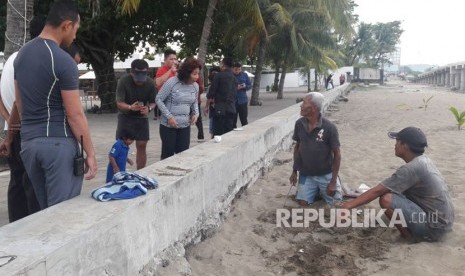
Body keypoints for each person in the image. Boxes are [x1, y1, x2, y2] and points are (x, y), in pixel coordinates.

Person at [4, 0, 97, 210]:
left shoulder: (21, 57)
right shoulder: (63, 61)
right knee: (62, 214)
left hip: (29, 146)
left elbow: (19, 103)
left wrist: (10, 137)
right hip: (57, 146)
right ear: (66, 25)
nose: (75, 35)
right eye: (76, 29)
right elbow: (75, 115)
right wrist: (90, 153)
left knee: (44, 213)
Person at [341, 127, 454, 242]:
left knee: (386, 199)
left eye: (397, 141)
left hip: (434, 229)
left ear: (405, 146)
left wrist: (348, 206)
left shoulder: (411, 169)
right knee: (391, 191)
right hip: (444, 223)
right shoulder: (424, 161)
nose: (395, 145)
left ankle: (408, 237)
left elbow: (377, 191)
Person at [0, 16, 45, 222]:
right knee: (32, 184)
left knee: (17, 182)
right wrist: (14, 124)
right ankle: (30, 228)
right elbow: (21, 100)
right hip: (26, 132)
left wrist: (9, 121)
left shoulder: (12, 58)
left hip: (14, 129)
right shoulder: (33, 59)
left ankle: (15, 226)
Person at [289, 92, 342, 206]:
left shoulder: (329, 127)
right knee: (303, 202)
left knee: (335, 202)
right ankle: (316, 191)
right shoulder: (299, 124)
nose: (301, 106)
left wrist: (332, 182)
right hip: (306, 174)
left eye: (304, 103)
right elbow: (297, 147)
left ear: (314, 108)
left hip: (326, 174)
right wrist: (294, 171)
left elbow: (337, 154)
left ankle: (332, 184)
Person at [156, 57, 200, 159]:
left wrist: (195, 114)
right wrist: (169, 117)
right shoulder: (172, 82)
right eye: (194, 74)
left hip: (185, 125)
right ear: (186, 73)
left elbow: (194, 103)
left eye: (198, 73)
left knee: (183, 155)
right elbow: (158, 99)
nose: (197, 77)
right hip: (168, 126)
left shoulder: (195, 86)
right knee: (168, 155)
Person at [115, 59, 156, 169]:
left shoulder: (151, 83)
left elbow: (153, 102)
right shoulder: (123, 81)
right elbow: (119, 103)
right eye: (138, 77)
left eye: (143, 75)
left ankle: (140, 173)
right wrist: (130, 107)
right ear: (132, 72)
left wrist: (149, 108)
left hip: (142, 117)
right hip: (126, 115)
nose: (140, 81)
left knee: (142, 144)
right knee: (122, 145)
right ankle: (119, 172)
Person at [206, 57, 236, 136]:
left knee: (218, 133)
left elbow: (211, 92)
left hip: (220, 108)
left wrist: (207, 105)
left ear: (223, 64)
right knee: (228, 132)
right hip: (231, 108)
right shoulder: (234, 77)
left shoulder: (219, 76)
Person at [154, 49, 178, 120]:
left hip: (175, 102)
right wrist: (170, 70)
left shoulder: (175, 70)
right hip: (165, 103)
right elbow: (158, 83)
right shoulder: (161, 70)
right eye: (171, 59)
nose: (174, 61)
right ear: (165, 59)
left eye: (175, 59)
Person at [232, 62, 251, 129]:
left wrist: (244, 87)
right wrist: (235, 88)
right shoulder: (230, 76)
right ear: (232, 69)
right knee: (233, 121)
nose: (237, 71)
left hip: (242, 100)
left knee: (244, 120)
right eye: (236, 69)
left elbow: (249, 85)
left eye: (239, 69)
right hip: (233, 101)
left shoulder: (244, 75)